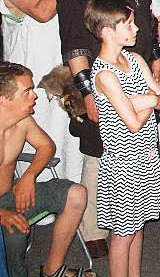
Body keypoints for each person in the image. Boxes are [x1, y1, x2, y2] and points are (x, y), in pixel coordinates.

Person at [56, 0, 160, 258]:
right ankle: (94, 229)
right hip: (104, 80)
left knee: (138, 147)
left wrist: (156, 54)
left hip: (134, 68)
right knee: (101, 154)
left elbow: (143, 14)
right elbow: (73, 43)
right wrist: (87, 91)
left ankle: (141, 205)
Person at [85, 0, 160, 277]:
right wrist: (148, 99)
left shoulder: (135, 59)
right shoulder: (104, 74)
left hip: (145, 157)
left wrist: (143, 100)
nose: (136, 30)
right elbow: (132, 123)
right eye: (128, 25)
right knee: (122, 236)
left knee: (139, 226)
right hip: (123, 164)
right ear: (107, 31)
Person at [0, 0, 81, 184]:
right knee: (45, 129)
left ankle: (71, 194)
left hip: (63, 64)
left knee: (69, 129)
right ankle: (39, 195)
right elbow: (43, 11)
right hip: (34, 69)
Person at [0, 62, 88, 277]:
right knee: (14, 230)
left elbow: (47, 146)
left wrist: (28, 177)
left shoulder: (23, 122)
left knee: (76, 194)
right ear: (3, 99)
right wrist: (2, 215)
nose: (35, 96)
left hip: (11, 195)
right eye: (27, 92)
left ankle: (52, 269)